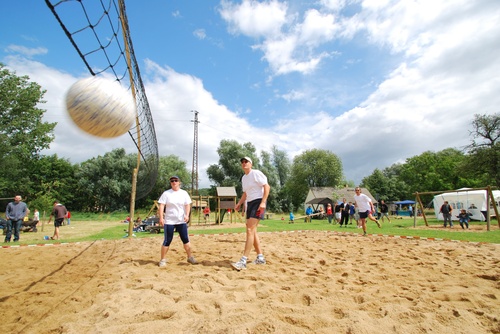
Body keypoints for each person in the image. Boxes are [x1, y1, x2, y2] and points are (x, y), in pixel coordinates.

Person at [232, 157, 270, 271]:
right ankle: (260, 257)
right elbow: (245, 193)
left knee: (249, 230)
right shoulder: (244, 178)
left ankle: (243, 261)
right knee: (252, 230)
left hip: (259, 201)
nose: (244, 164)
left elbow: (267, 186)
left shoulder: (256, 173)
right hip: (250, 202)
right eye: (242, 162)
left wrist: (263, 202)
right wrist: (239, 203)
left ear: (251, 164)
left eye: (246, 162)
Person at [158, 175, 197, 267]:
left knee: (185, 239)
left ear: (179, 182)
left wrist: (187, 215)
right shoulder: (166, 193)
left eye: (176, 180)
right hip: (169, 221)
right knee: (167, 240)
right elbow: (161, 206)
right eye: (172, 181)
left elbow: (187, 205)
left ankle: (190, 257)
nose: (174, 182)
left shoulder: (184, 193)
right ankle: (163, 259)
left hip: (181, 220)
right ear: (170, 183)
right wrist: (161, 217)